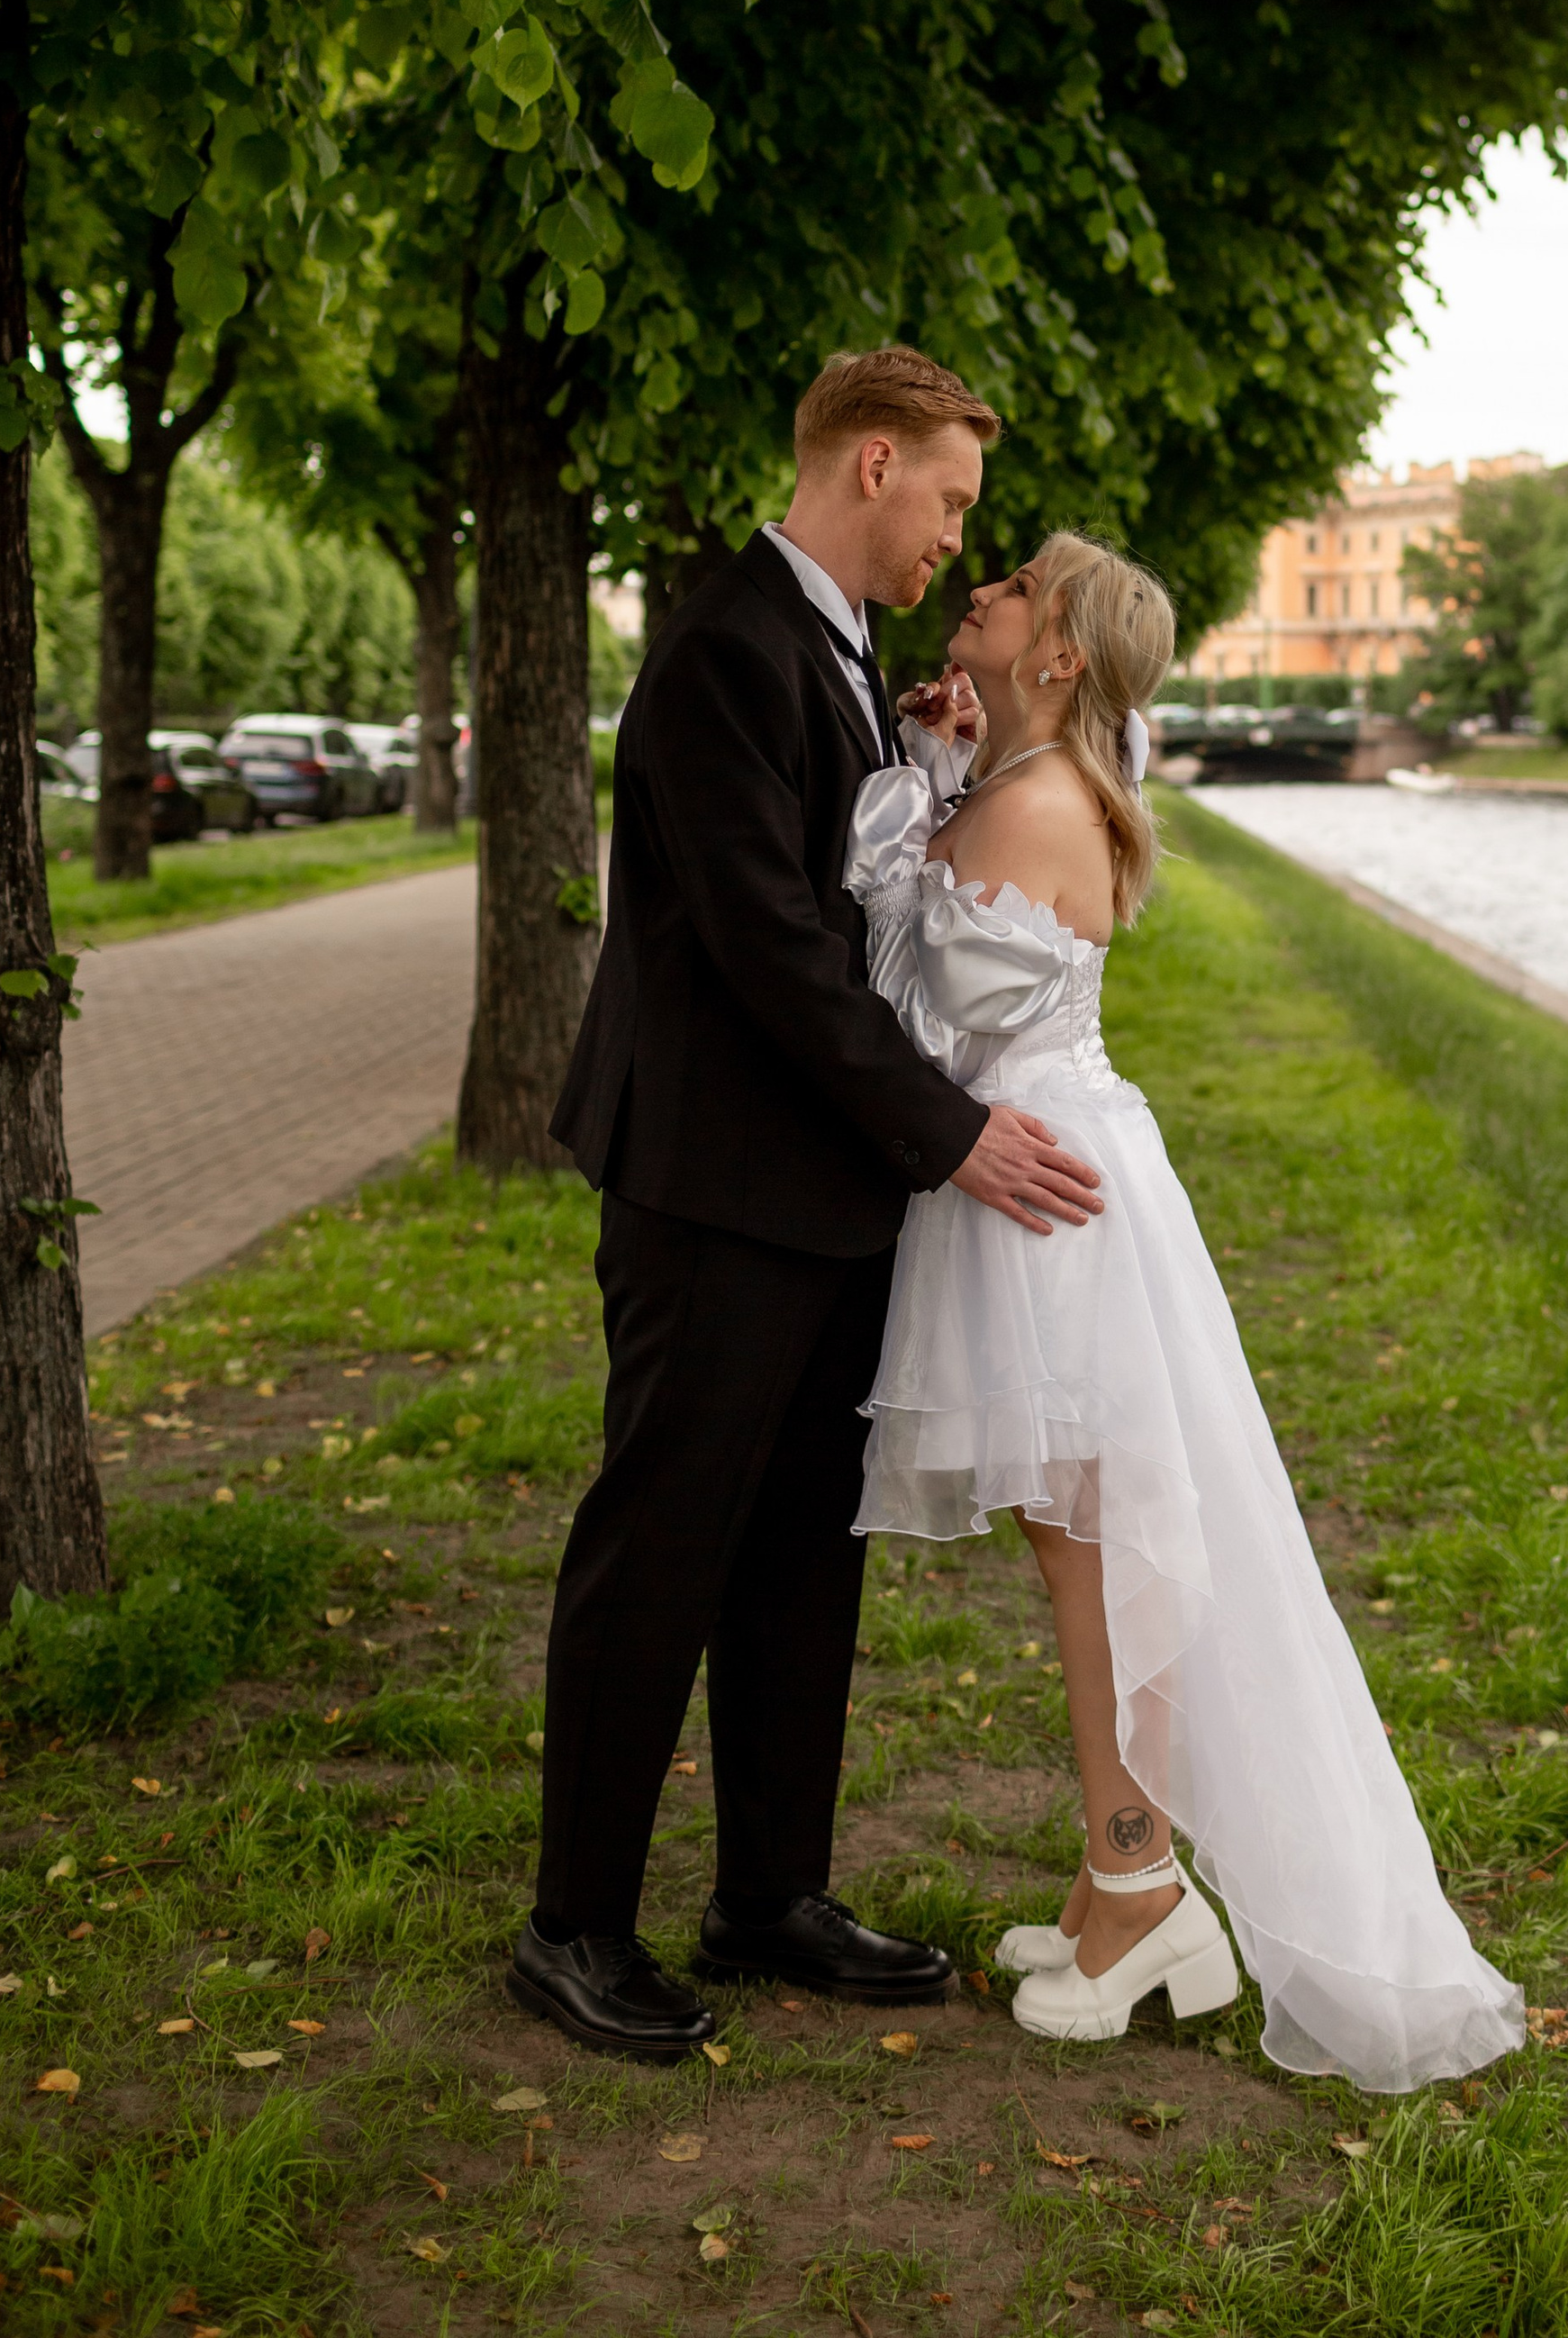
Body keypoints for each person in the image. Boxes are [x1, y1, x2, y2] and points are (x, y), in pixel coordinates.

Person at [847, 533, 1525, 2089]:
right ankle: (1118, 1874)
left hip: (1039, 1190)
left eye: (1015, 583)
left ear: (1063, 651)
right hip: (1036, 1170)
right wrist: (936, 763)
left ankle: (1142, 1879)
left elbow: (898, 1003)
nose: (988, 588)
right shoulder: (1024, 782)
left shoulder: (1031, 802)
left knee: (1094, 1547)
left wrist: (907, 784)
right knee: (1078, 1536)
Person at [512, 349, 1104, 2062]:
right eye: (948, 498)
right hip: (711, 1184)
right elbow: (770, 945)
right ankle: (573, 1925)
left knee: (795, 1556)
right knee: (663, 1542)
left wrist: (916, 759)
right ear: (867, 461)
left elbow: (847, 879)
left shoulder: (841, 659)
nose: (953, 535)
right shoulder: (721, 648)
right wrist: (952, 1134)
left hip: (826, 1187)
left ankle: (768, 1891)